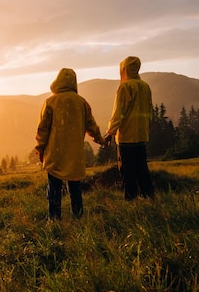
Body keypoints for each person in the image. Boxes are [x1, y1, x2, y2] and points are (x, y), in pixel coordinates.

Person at [36, 68, 106, 220]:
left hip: (55, 154)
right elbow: (91, 126)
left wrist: (40, 149)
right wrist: (101, 140)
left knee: (54, 188)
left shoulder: (50, 102)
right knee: (75, 189)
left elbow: (43, 129)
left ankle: (54, 220)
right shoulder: (81, 103)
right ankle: (78, 217)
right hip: (75, 155)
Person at [104, 56, 155, 200]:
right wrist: (147, 128)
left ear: (124, 69)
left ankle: (130, 200)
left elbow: (119, 112)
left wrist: (110, 132)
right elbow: (150, 111)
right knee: (142, 169)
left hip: (126, 136)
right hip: (141, 135)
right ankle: (149, 197)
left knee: (127, 171)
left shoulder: (125, 87)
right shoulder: (145, 87)